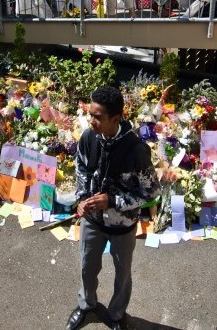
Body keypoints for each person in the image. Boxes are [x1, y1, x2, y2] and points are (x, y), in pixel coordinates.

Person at [68, 85, 160, 330]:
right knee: (87, 267)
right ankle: (86, 305)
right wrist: (82, 198)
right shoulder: (88, 138)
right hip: (92, 220)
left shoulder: (136, 150)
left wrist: (114, 201)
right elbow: (81, 168)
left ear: (116, 119)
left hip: (123, 226)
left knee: (122, 275)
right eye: (90, 114)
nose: (91, 121)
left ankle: (117, 315)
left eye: (97, 117)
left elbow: (151, 192)